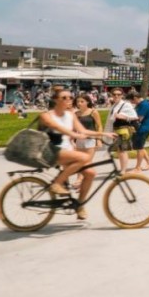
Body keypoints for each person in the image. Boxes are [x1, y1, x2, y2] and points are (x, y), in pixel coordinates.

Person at [41, 87, 112, 220]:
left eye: (70, 97)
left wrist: (103, 134)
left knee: (91, 173)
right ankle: (57, 183)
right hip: (51, 151)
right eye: (64, 98)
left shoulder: (71, 115)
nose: (69, 100)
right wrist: (73, 134)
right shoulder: (47, 114)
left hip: (66, 151)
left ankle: (79, 205)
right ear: (56, 100)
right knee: (84, 157)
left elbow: (83, 130)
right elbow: (56, 127)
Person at [106, 88, 139, 173]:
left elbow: (135, 117)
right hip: (116, 130)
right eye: (114, 94)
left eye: (118, 94)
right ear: (111, 95)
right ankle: (122, 169)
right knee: (119, 151)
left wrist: (123, 117)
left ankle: (123, 170)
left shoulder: (126, 105)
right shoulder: (114, 105)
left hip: (123, 130)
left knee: (122, 151)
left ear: (122, 95)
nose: (116, 96)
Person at [73, 93, 103, 166]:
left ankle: (87, 177)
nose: (79, 103)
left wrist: (99, 140)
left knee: (87, 162)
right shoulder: (76, 114)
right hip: (79, 140)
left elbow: (99, 126)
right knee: (79, 162)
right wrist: (72, 140)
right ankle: (79, 178)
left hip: (90, 140)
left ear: (87, 102)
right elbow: (74, 129)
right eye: (78, 101)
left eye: (82, 101)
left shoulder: (93, 112)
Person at [130, 90, 149, 171]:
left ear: (135, 98)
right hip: (142, 129)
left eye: (132, 100)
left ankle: (138, 167)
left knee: (139, 148)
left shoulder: (144, 105)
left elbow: (139, 118)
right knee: (140, 147)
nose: (131, 102)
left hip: (142, 129)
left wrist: (127, 118)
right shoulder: (141, 104)